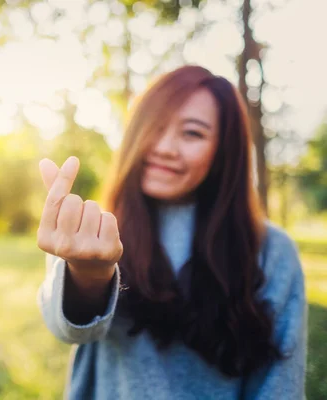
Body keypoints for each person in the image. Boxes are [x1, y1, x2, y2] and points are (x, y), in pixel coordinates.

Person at [36, 65, 307, 400]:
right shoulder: (91, 230)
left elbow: (281, 385)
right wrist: (88, 274)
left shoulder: (272, 250)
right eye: (155, 126)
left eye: (192, 133)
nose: (164, 147)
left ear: (224, 151)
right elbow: (70, 331)